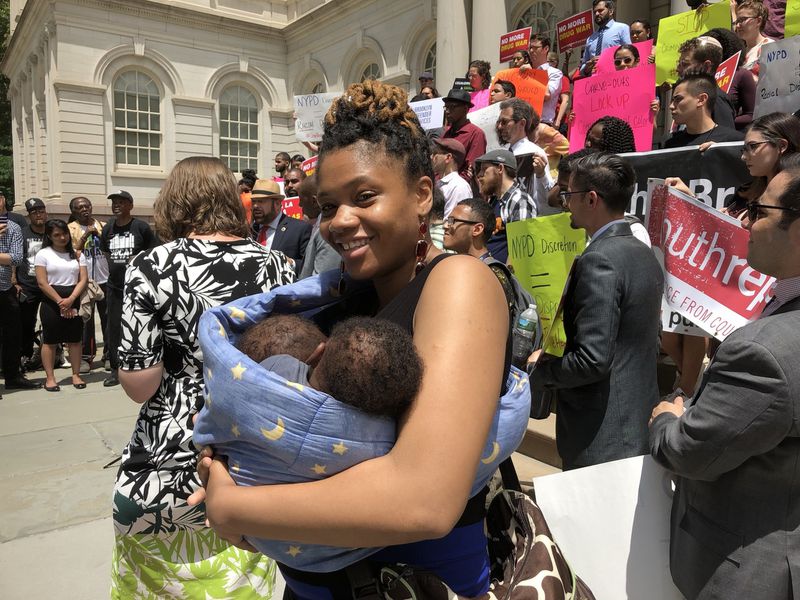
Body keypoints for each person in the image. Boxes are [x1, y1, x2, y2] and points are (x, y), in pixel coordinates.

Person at [191, 80, 513, 599]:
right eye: (326, 205)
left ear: (422, 195)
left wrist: (233, 507)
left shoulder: (459, 284)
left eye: (364, 197)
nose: (339, 222)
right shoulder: (342, 294)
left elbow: (424, 501)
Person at [110, 156, 295, 598]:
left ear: (175, 201)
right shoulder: (280, 267)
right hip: (254, 447)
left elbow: (140, 384)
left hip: (174, 450)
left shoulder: (152, 265)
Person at [649, 166, 800, 600]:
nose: (745, 222)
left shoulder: (765, 352)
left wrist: (668, 418)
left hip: (749, 572)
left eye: (759, 210)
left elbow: (690, 452)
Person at [529, 153, 663, 470]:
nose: (564, 203)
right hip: (634, 420)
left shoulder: (599, 260)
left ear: (591, 199)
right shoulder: (642, 252)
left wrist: (542, 370)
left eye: (569, 195)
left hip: (602, 435)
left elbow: (592, 360)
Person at [99, 190, 158, 387]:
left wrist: (138, 258)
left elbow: (153, 252)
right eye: (114, 202)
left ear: (130, 206)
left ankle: (143, 363)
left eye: (121, 202)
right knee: (114, 328)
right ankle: (116, 369)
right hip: (115, 288)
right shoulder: (108, 229)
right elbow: (106, 252)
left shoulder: (140, 227)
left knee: (140, 325)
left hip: (138, 288)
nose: (116, 205)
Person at [34, 219, 87, 392]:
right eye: (57, 235)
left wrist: (71, 299)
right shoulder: (43, 254)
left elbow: (83, 279)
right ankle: (50, 378)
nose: (62, 237)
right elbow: (42, 282)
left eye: (64, 233)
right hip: (51, 300)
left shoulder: (78, 254)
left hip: (73, 297)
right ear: (49, 236)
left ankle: (76, 374)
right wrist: (60, 301)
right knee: (50, 341)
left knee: (75, 340)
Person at [0, 197, 40, 393]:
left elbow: (15, 258)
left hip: (5, 289)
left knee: (13, 336)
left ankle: (13, 376)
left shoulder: (14, 227)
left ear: (3, 200)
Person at [68, 196, 109, 372]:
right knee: (86, 320)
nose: (85, 209)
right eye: (80, 207)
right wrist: (85, 235)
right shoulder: (70, 229)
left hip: (105, 279)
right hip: (84, 282)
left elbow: (110, 246)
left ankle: (109, 355)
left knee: (108, 319)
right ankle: (86, 357)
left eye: (87, 206)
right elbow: (71, 251)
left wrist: (98, 234)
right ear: (73, 211)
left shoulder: (103, 225)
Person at [474, 148, 536, 263]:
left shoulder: (519, 200)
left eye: (484, 169)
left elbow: (521, 250)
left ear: (500, 169)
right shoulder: (494, 201)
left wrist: (507, 278)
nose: (479, 175)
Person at [665, 71, 744, 149]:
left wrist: (722, 153)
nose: (671, 106)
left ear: (701, 100)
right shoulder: (671, 145)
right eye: (672, 101)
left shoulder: (734, 142)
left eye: (678, 99)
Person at [251, 179, 312, 273]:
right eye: (253, 201)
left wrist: (290, 263)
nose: (255, 206)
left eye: (261, 201)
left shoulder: (300, 229)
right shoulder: (248, 230)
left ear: (277, 204)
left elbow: (308, 266)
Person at [676, 37, 737, 129]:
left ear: (706, 66)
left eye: (685, 64)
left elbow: (725, 139)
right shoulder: (689, 97)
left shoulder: (718, 100)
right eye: (679, 63)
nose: (678, 69)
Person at [16, 198, 47, 373]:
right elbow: (15, 258)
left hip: (50, 285)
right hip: (28, 285)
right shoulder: (22, 233)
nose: (38, 214)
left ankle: (53, 353)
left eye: (41, 210)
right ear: (29, 216)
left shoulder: (52, 231)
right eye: (34, 212)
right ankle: (25, 355)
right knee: (26, 322)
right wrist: (15, 282)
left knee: (51, 322)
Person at [704, 27, 756, 130]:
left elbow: (751, 115)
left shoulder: (742, 75)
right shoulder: (698, 77)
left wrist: (722, 122)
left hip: (726, 137)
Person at [741, 112, 800, 196]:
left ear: (781, 146)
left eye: (753, 146)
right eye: (744, 149)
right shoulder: (745, 192)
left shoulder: (795, 199)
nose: (743, 157)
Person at [297, 175, 340, 279]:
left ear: (314, 201)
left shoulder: (328, 230)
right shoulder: (318, 224)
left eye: (301, 199)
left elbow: (321, 283)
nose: (299, 204)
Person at [441, 88, 487, 183]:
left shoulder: (476, 134)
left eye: (452, 107)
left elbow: (471, 170)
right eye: (446, 107)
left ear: (466, 109)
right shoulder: (446, 133)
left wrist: (449, 186)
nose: (447, 111)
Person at [580, 0, 631, 77]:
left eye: (600, 10)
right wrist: (587, 67)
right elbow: (583, 67)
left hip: (616, 79)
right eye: (595, 12)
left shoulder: (622, 28)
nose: (597, 14)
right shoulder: (590, 38)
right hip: (594, 83)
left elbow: (631, 55)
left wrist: (606, 60)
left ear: (610, 11)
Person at [521, 34, 563, 125]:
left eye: (536, 48)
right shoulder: (524, 71)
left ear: (546, 49)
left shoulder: (555, 73)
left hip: (542, 123)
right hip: (523, 124)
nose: (531, 51)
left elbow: (546, 96)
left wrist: (535, 73)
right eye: (530, 48)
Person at [431, 138, 472, 217]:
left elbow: (451, 221)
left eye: (435, 153)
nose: (432, 157)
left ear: (448, 157)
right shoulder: (439, 183)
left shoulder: (458, 187)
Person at [734, 0, 773, 79]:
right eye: (737, 21)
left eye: (743, 20)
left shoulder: (769, 47)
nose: (738, 25)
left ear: (758, 21)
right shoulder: (740, 53)